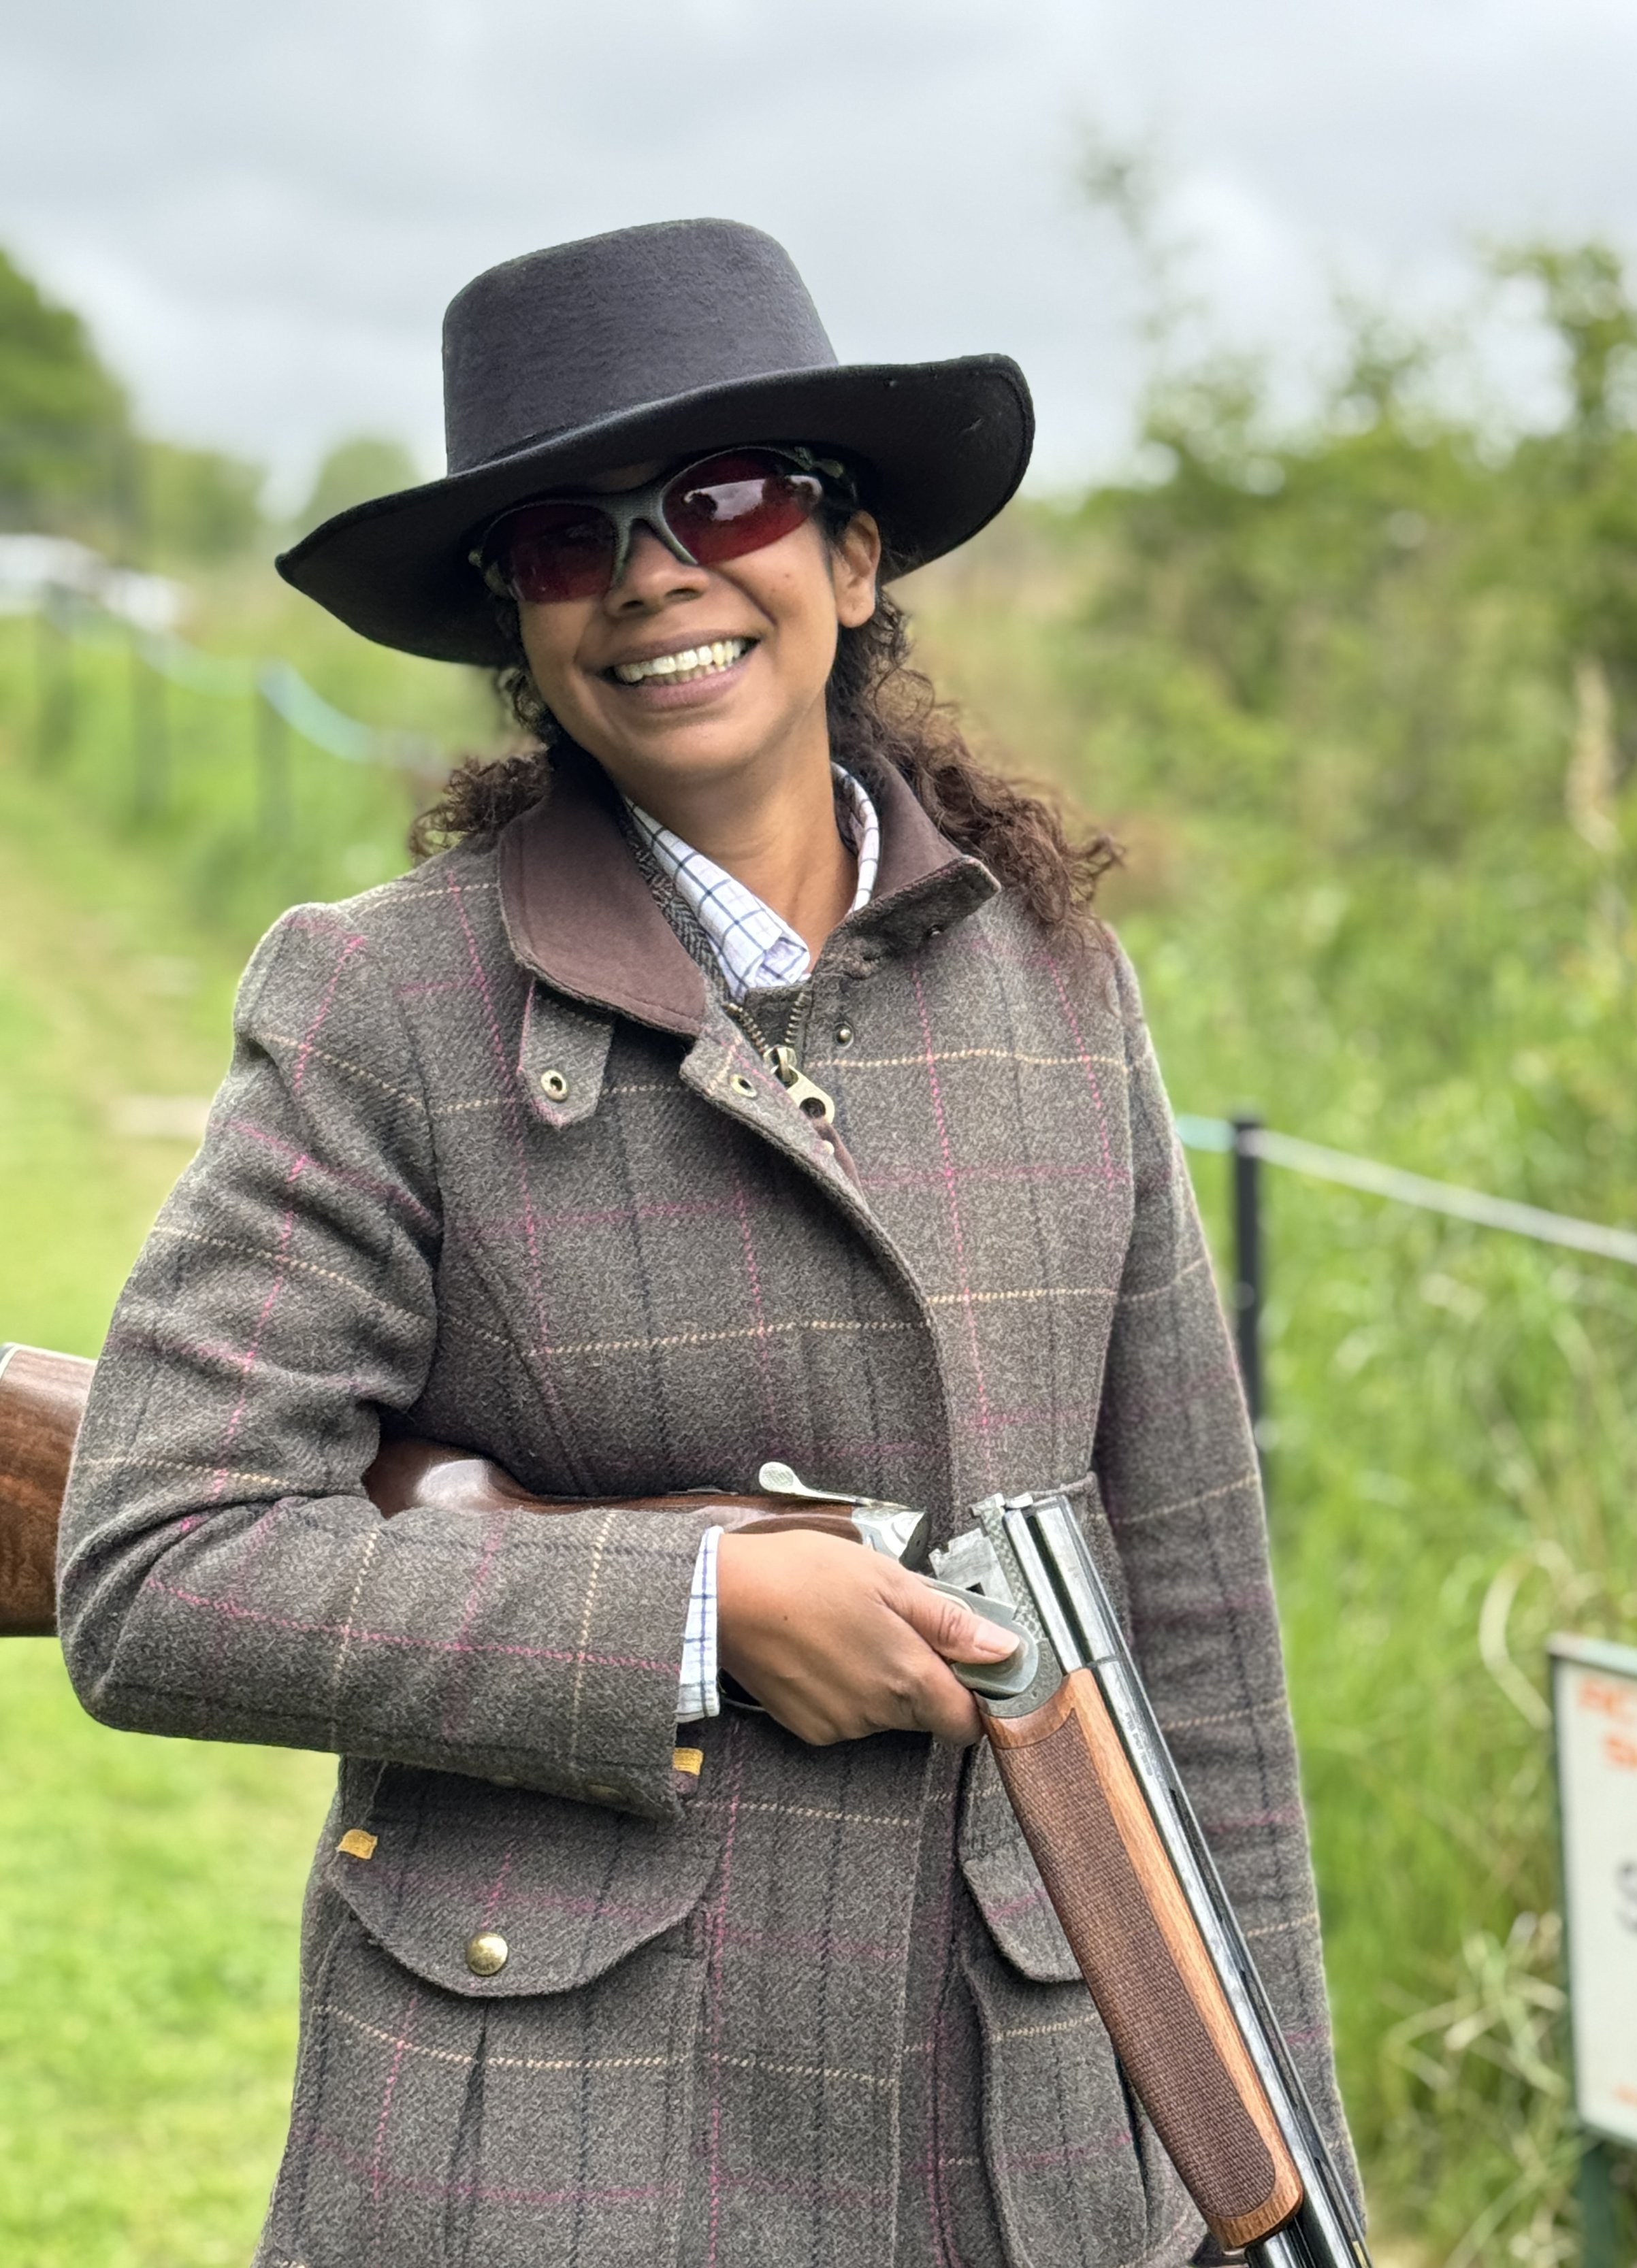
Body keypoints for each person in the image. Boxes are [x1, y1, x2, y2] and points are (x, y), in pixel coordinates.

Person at [59, 219, 1357, 2268]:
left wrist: (1296, 2183)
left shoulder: (1060, 988)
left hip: (1016, 2144)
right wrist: (693, 1612)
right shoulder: (383, 1004)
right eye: (569, 538)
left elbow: (1199, 1647)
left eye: (726, 500)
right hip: (561, 2157)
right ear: (522, 628)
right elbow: (149, 1573)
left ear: (849, 564)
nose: (655, 569)